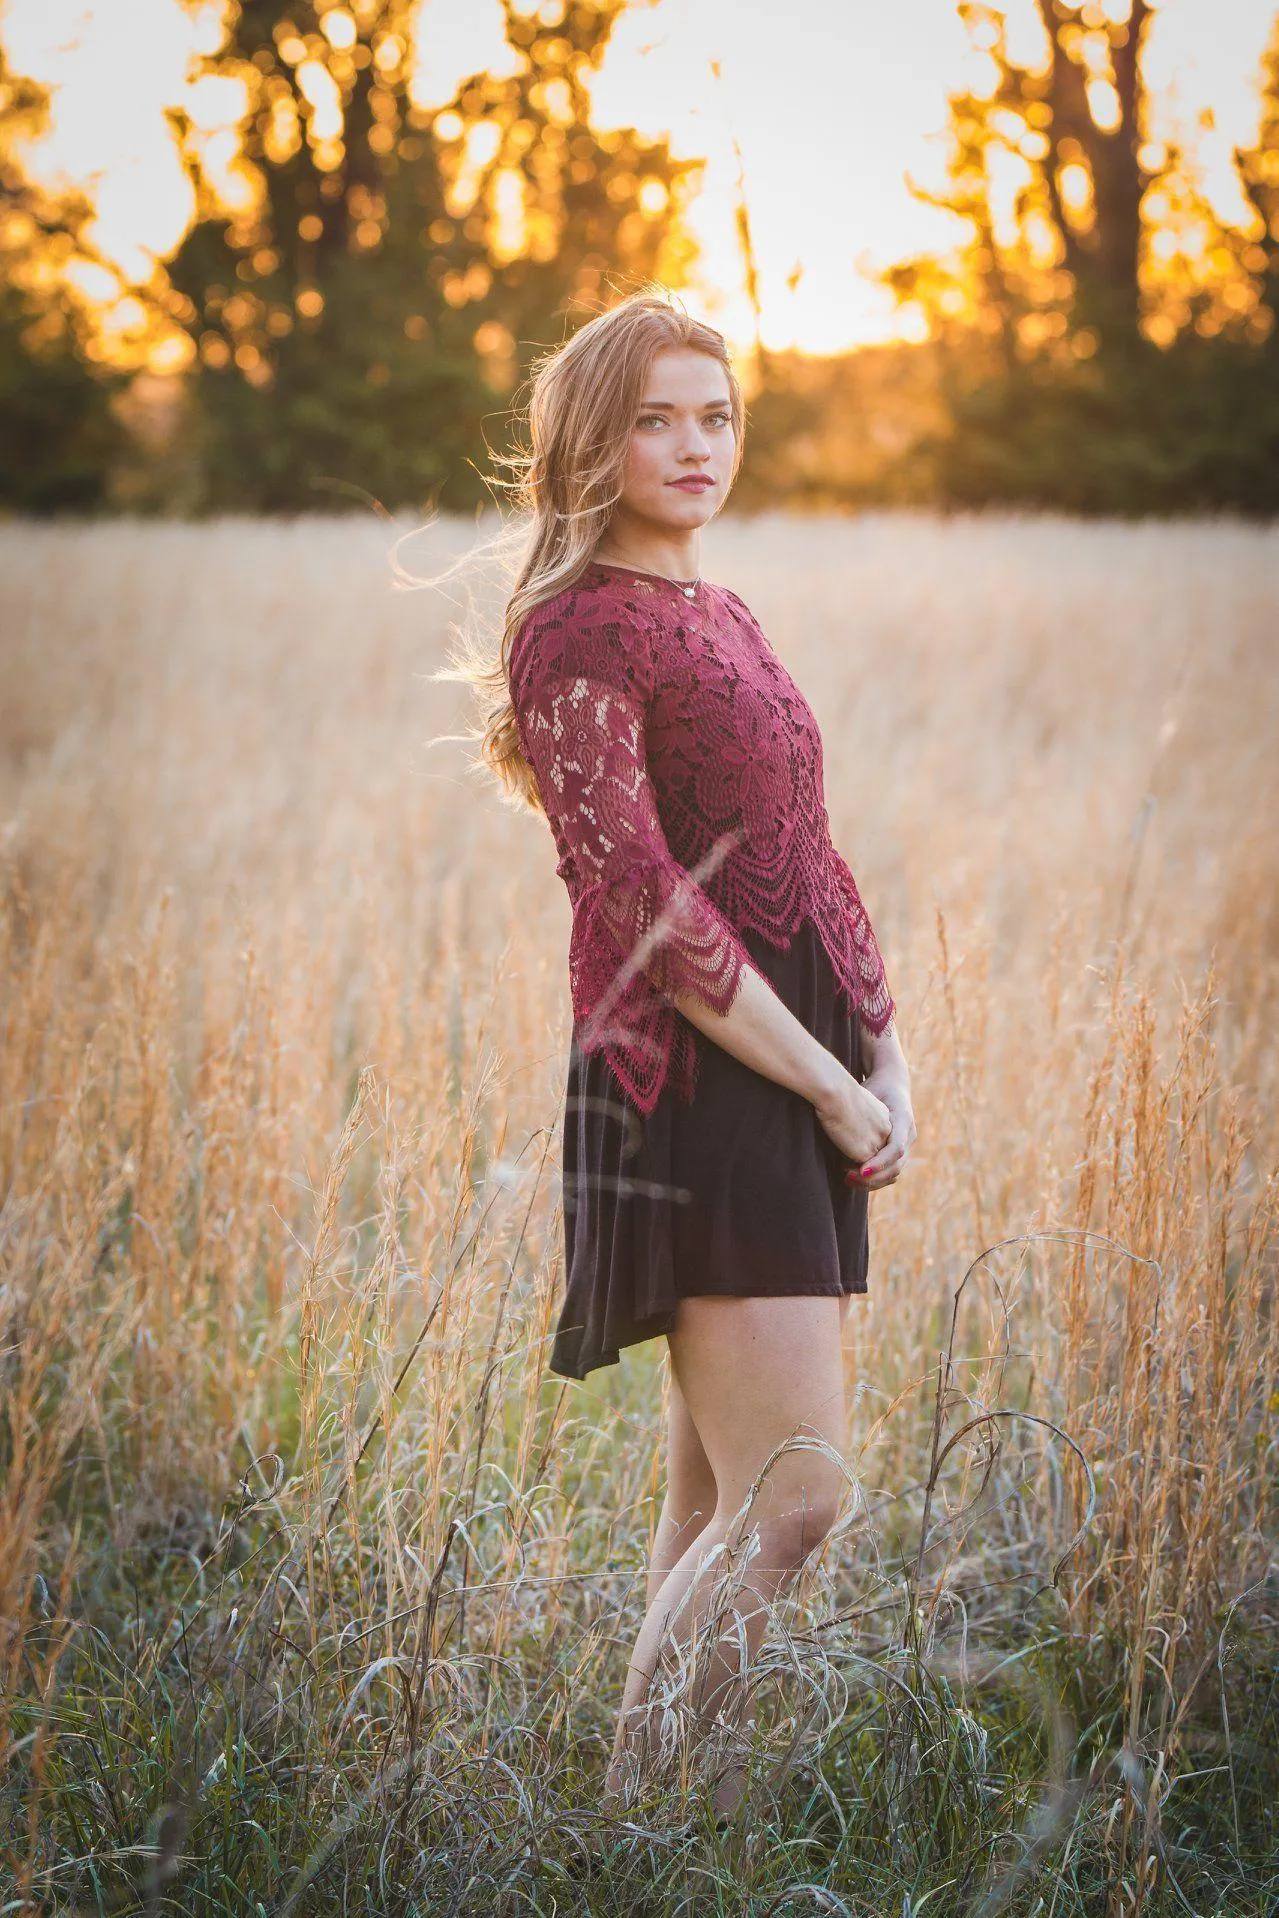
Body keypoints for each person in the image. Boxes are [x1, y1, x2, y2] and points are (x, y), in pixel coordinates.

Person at [462, 288, 916, 1820]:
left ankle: (668, 1828)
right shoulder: (573, 627)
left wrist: (884, 1042)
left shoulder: (724, 615)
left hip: (791, 1059)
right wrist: (825, 1077)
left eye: (713, 414)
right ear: (591, 438)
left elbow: (807, 849)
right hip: (689, 1080)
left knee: (716, 1496)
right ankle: (623, 1817)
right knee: (799, 1495)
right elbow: (645, 905)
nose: (692, 444)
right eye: (653, 416)